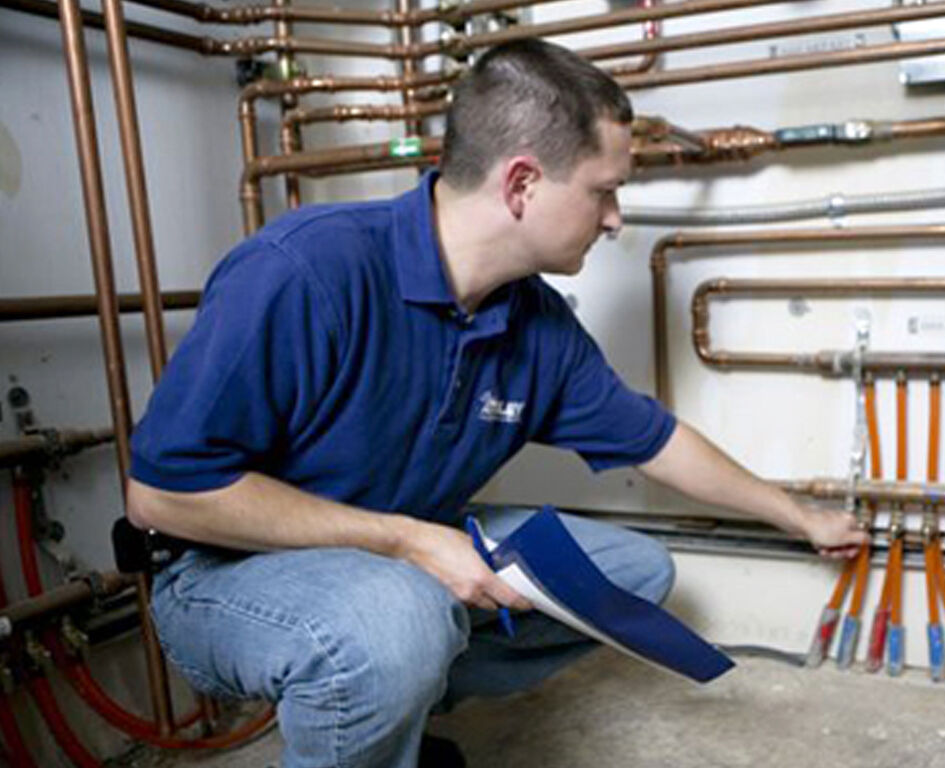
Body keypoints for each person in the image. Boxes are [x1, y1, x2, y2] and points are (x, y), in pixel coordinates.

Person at [125, 39, 866, 768]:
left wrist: (799, 516)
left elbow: (655, 441)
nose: (615, 219)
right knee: (396, 624)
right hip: (226, 577)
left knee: (631, 574)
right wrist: (409, 543)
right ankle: (384, 673)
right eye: (604, 190)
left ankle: (388, 711)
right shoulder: (307, 270)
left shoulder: (533, 319)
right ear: (521, 184)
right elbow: (162, 496)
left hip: (396, 546)